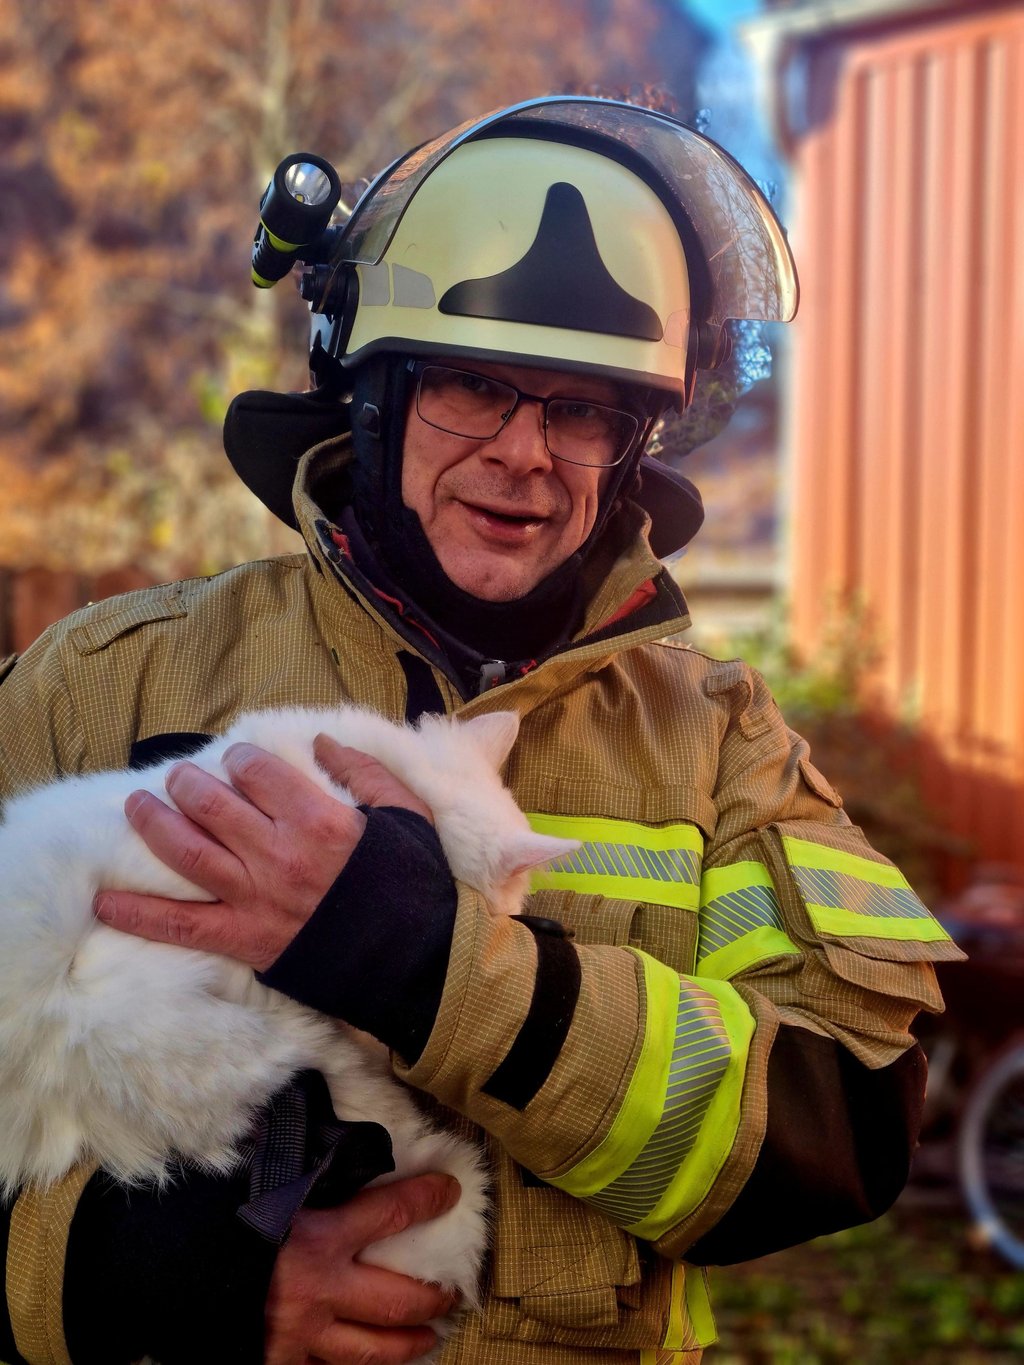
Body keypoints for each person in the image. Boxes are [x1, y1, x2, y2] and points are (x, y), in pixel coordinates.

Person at [0, 97, 962, 1365]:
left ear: (632, 447)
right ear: (373, 395)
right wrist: (147, 1283)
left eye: (585, 409)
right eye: (469, 385)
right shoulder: (107, 682)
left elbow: (841, 1126)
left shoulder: (718, 742)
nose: (526, 455)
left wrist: (434, 966)